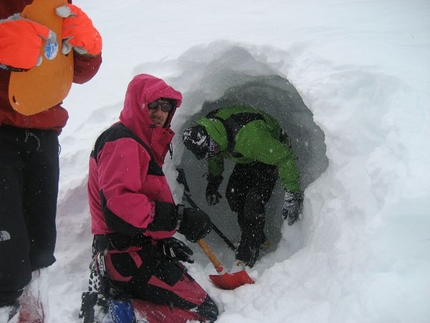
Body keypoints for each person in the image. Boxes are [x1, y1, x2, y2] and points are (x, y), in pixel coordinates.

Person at [85, 74, 218, 323]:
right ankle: (116, 313)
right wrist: (177, 219)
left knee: (202, 306)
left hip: (136, 249)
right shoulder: (122, 142)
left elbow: (139, 205)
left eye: (165, 107)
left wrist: (161, 238)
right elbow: (120, 209)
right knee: (201, 313)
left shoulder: (139, 143)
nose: (159, 112)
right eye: (152, 105)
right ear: (138, 104)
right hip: (125, 255)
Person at [0, 1, 102, 322]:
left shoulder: (55, 4)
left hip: (42, 133)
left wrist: (88, 50)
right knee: (7, 261)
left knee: (39, 248)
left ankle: (32, 312)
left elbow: (73, 72)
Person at [183, 105, 304, 270]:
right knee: (234, 195)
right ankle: (256, 237)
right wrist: (214, 181)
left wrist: (292, 193)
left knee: (253, 203)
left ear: (215, 137)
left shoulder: (251, 138)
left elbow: (284, 157)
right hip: (247, 157)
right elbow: (214, 156)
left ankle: (247, 256)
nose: (213, 152)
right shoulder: (213, 134)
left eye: (212, 148)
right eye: (208, 152)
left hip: (270, 152)